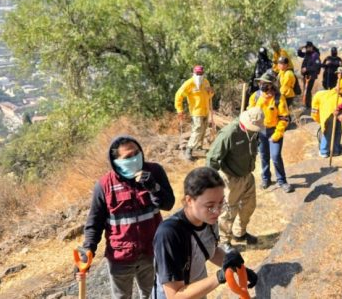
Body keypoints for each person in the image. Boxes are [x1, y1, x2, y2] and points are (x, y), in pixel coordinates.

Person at [81, 136, 175, 299]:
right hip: (120, 256)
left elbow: (168, 204)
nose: (134, 159)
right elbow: (94, 223)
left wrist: (154, 188)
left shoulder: (154, 171)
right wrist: (88, 250)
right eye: (128, 157)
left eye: (137, 153)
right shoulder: (104, 185)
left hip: (151, 251)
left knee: (154, 294)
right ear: (116, 161)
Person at [153, 167, 258, 299]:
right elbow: (174, 295)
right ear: (189, 201)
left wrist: (240, 269)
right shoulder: (169, 234)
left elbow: (210, 251)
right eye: (210, 206)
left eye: (221, 203)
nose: (217, 211)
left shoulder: (207, 219)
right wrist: (220, 276)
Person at [206, 107, 264, 252]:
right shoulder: (229, 133)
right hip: (230, 178)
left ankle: (240, 233)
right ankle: (223, 241)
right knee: (228, 211)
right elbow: (212, 158)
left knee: (249, 205)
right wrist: (212, 183)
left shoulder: (254, 132)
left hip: (247, 176)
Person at [248, 72, 294, 193]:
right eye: (260, 82)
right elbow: (250, 113)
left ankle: (282, 181)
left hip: (275, 130)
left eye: (264, 83)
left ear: (271, 85)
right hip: (261, 131)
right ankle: (266, 179)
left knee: (275, 156)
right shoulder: (255, 96)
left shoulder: (279, 98)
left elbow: (284, 118)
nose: (261, 85)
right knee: (264, 156)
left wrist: (277, 134)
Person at [175, 65, 215, 159]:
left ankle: (198, 147)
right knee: (197, 129)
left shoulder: (206, 82)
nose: (199, 75)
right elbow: (178, 96)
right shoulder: (189, 84)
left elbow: (209, 96)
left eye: (201, 73)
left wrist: (211, 91)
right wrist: (179, 110)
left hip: (205, 110)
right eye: (197, 73)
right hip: (196, 111)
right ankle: (189, 149)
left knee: (204, 129)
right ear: (194, 73)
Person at [311, 83, 342, 158]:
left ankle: (324, 151)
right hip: (339, 112)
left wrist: (320, 121)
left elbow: (314, 112)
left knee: (327, 132)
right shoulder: (337, 92)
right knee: (338, 131)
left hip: (328, 115)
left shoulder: (318, 95)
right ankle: (335, 150)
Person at [297, 41, 322, 108]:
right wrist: (301, 48)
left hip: (311, 75)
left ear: (311, 47)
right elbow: (299, 53)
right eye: (306, 47)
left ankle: (308, 105)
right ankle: (307, 104)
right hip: (306, 75)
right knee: (306, 90)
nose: (307, 49)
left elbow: (316, 66)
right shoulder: (307, 54)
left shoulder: (315, 55)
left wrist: (306, 69)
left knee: (307, 90)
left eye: (308, 47)